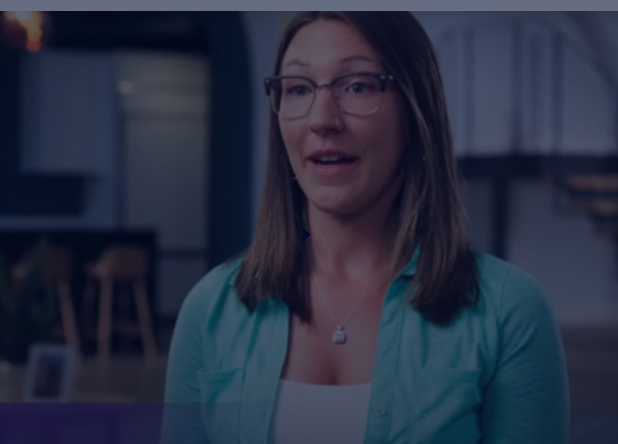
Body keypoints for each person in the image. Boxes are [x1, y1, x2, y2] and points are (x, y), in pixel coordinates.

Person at [162, 11, 569, 444]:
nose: (322, 119)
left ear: (415, 112)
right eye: (298, 88)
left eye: (357, 86)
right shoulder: (211, 309)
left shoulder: (509, 312)